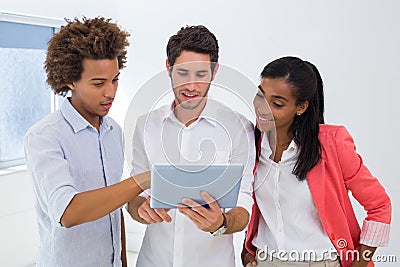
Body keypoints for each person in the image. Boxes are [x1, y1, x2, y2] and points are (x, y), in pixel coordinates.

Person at [241, 56, 391, 267]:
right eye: (260, 95)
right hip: (266, 261)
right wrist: (247, 253)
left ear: (301, 107)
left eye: (276, 103)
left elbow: (380, 206)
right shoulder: (249, 142)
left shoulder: (332, 143)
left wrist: (360, 264)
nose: (262, 108)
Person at [24, 17, 150, 267]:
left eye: (115, 79)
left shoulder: (114, 131)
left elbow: (113, 209)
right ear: (71, 80)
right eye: (98, 83)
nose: (111, 92)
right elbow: (68, 212)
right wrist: (143, 180)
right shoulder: (44, 137)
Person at [126, 25, 255, 267]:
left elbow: (245, 201)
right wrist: (140, 209)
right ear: (168, 67)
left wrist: (221, 223)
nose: (191, 86)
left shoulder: (239, 127)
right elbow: (133, 196)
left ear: (214, 72)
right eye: (183, 73)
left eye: (201, 75)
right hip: (153, 261)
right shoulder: (146, 125)